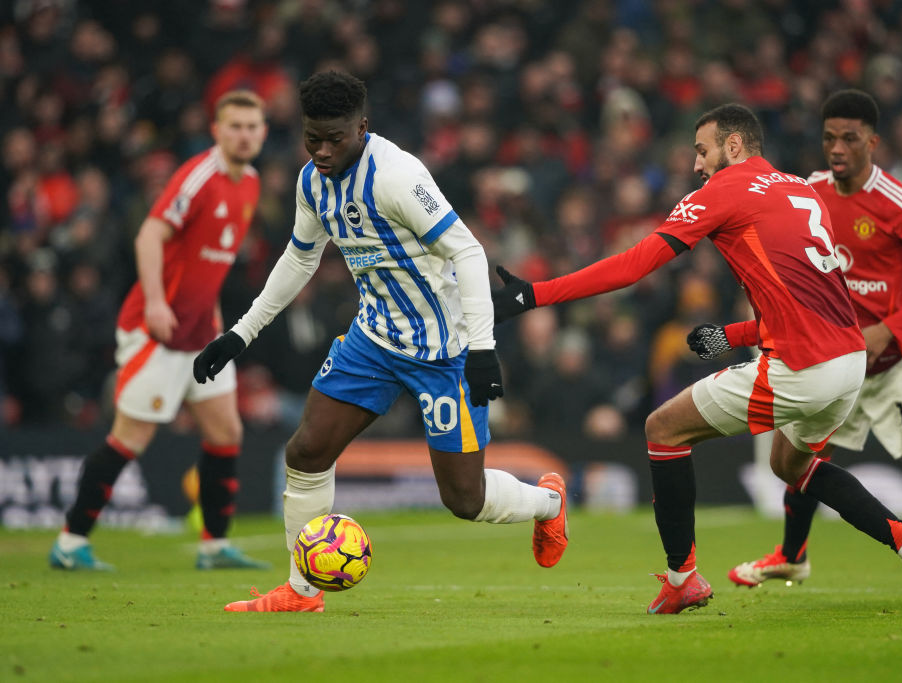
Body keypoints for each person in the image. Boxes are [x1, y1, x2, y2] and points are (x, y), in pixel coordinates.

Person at [493, 103, 902, 613]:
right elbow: (813, 301)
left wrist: (536, 294)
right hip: (848, 362)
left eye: (702, 150)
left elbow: (636, 264)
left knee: (663, 429)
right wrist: (735, 332)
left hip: (802, 367)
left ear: (733, 147)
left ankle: (681, 578)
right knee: (791, 464)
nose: (696, 165)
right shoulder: (800, 189)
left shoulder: (726, 189)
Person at [193, 71, 568, 613]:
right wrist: (239, 333)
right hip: (374, 339)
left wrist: (482, 349)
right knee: (306, 451)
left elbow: (467, 252)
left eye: (335, 139)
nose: (322, 151)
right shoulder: (311, 182)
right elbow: (301, 257)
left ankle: (548, 502)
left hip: (446, 351)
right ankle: (303, 591)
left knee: (465, 499)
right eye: (311, 138)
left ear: (362, 128)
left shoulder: (396, 176)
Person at [719, 90, 902, 599]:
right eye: (828, 137)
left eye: (849, 137)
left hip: (891, 365)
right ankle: (791, 558)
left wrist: (888, 330)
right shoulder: (807, 192)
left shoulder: (898, 202)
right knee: (798, 460)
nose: (836, 148)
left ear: (872, 141)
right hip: (832, 360)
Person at [49, 90, 271, 571]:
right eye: (235, 126)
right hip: (157, 333)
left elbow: (208, 265)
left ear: (263, 132)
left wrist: (211, 318)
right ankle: (70, 542)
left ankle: (213, 545)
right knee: (129, 439)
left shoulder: (249, 183)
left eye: (253, 126)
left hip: (200, 334)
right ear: (216, 129)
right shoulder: (199, 178)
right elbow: (150, 233)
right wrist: (154, 301)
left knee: (226, 432)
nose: (245, 135)